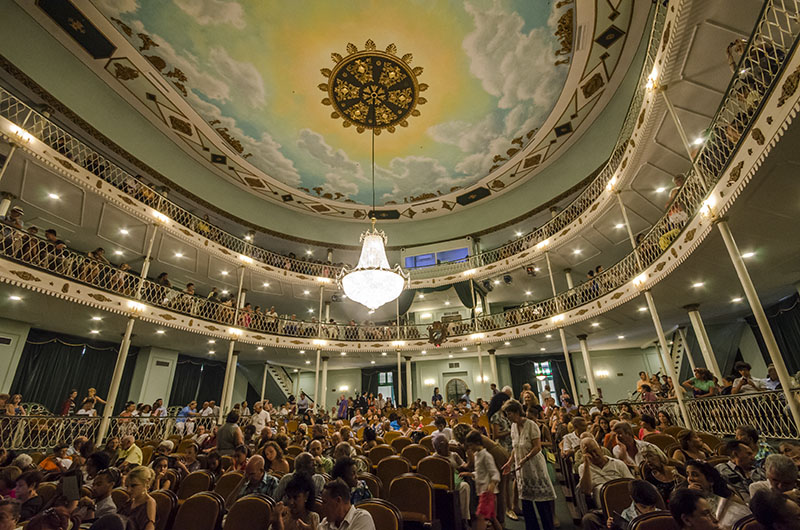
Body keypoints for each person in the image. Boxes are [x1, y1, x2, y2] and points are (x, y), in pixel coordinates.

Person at [501, 399, 556, 530]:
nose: (508, 416)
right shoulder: (513, 427)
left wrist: (525, 459)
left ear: (516, 412)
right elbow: (515, 447)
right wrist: (510, 462)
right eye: (506, 414)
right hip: (522, 470)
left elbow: (537, 447)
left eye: (509, 413)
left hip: (535, 467)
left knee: (542, 504)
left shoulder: (531, 425)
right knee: (527, 505)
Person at [684, 460, 750, 527]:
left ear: (710, 480)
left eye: (695, 475)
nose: (690, 479)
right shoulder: (689, 498)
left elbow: (747, 514)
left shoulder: (727, 494)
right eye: (687, 474)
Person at [466, 430, 502, 530]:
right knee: (493, 518)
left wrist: (492, 484)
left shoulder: (486, 456)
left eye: (471, 445)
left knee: (480, 517)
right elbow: (480, 473)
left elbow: (495, 473)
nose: (470, 448)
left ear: (477, 443)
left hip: (487, 492)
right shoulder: (477, 456)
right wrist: (470, 474)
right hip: (482, 491)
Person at [117, 466, 156, 530]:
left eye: (133, 486)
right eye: (127, 486)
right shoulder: (129, 501)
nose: (129, 490)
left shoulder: (150, 503)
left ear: (146, 483)